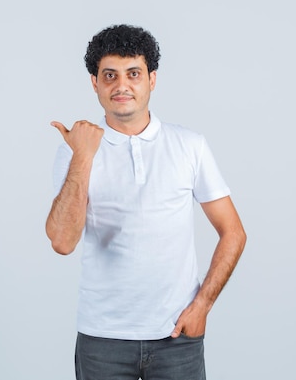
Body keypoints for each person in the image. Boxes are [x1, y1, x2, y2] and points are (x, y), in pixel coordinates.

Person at [45, 24, 246, 380]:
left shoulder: (189, 145)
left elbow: (233, 232)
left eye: (133, 74)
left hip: (177, 337)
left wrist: (203, 306)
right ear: (95, 83)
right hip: (102, 339)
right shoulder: (75, 151)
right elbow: (62, 241)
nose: (121, 86)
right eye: (110, 75)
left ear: (152, 80)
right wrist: (84, 157)